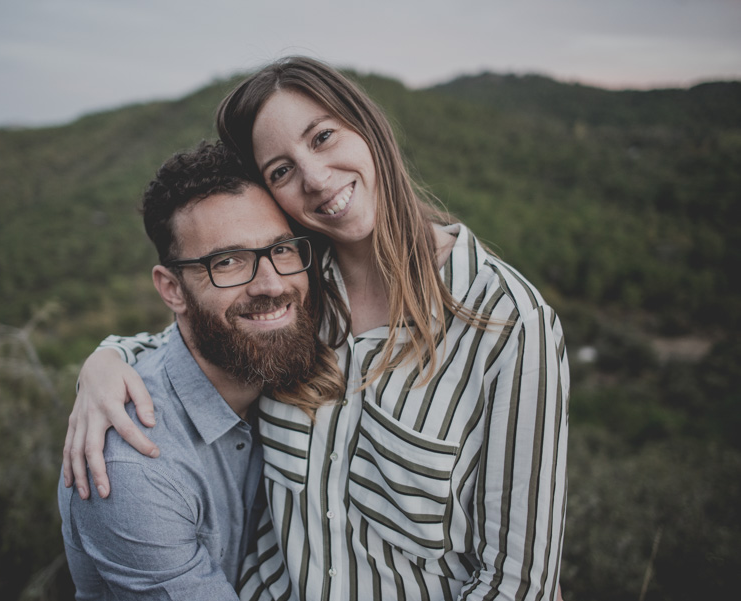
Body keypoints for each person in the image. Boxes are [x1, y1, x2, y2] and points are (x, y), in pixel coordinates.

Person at [64, 57, 570, 600]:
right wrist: (106, 362)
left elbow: (516, 585)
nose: (315, 177)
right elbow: (203, 336)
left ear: (368, 128)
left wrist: (105, 356)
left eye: (323, 137)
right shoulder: (298, 284)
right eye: (280, 170)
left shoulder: (507, 322)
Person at [58, 141, 345, 599]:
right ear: (172, 289)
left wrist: (106, 354)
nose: (271, 284)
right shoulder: (134, 469)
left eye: (281, 249)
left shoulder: (288, 359)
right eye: (227, 262)